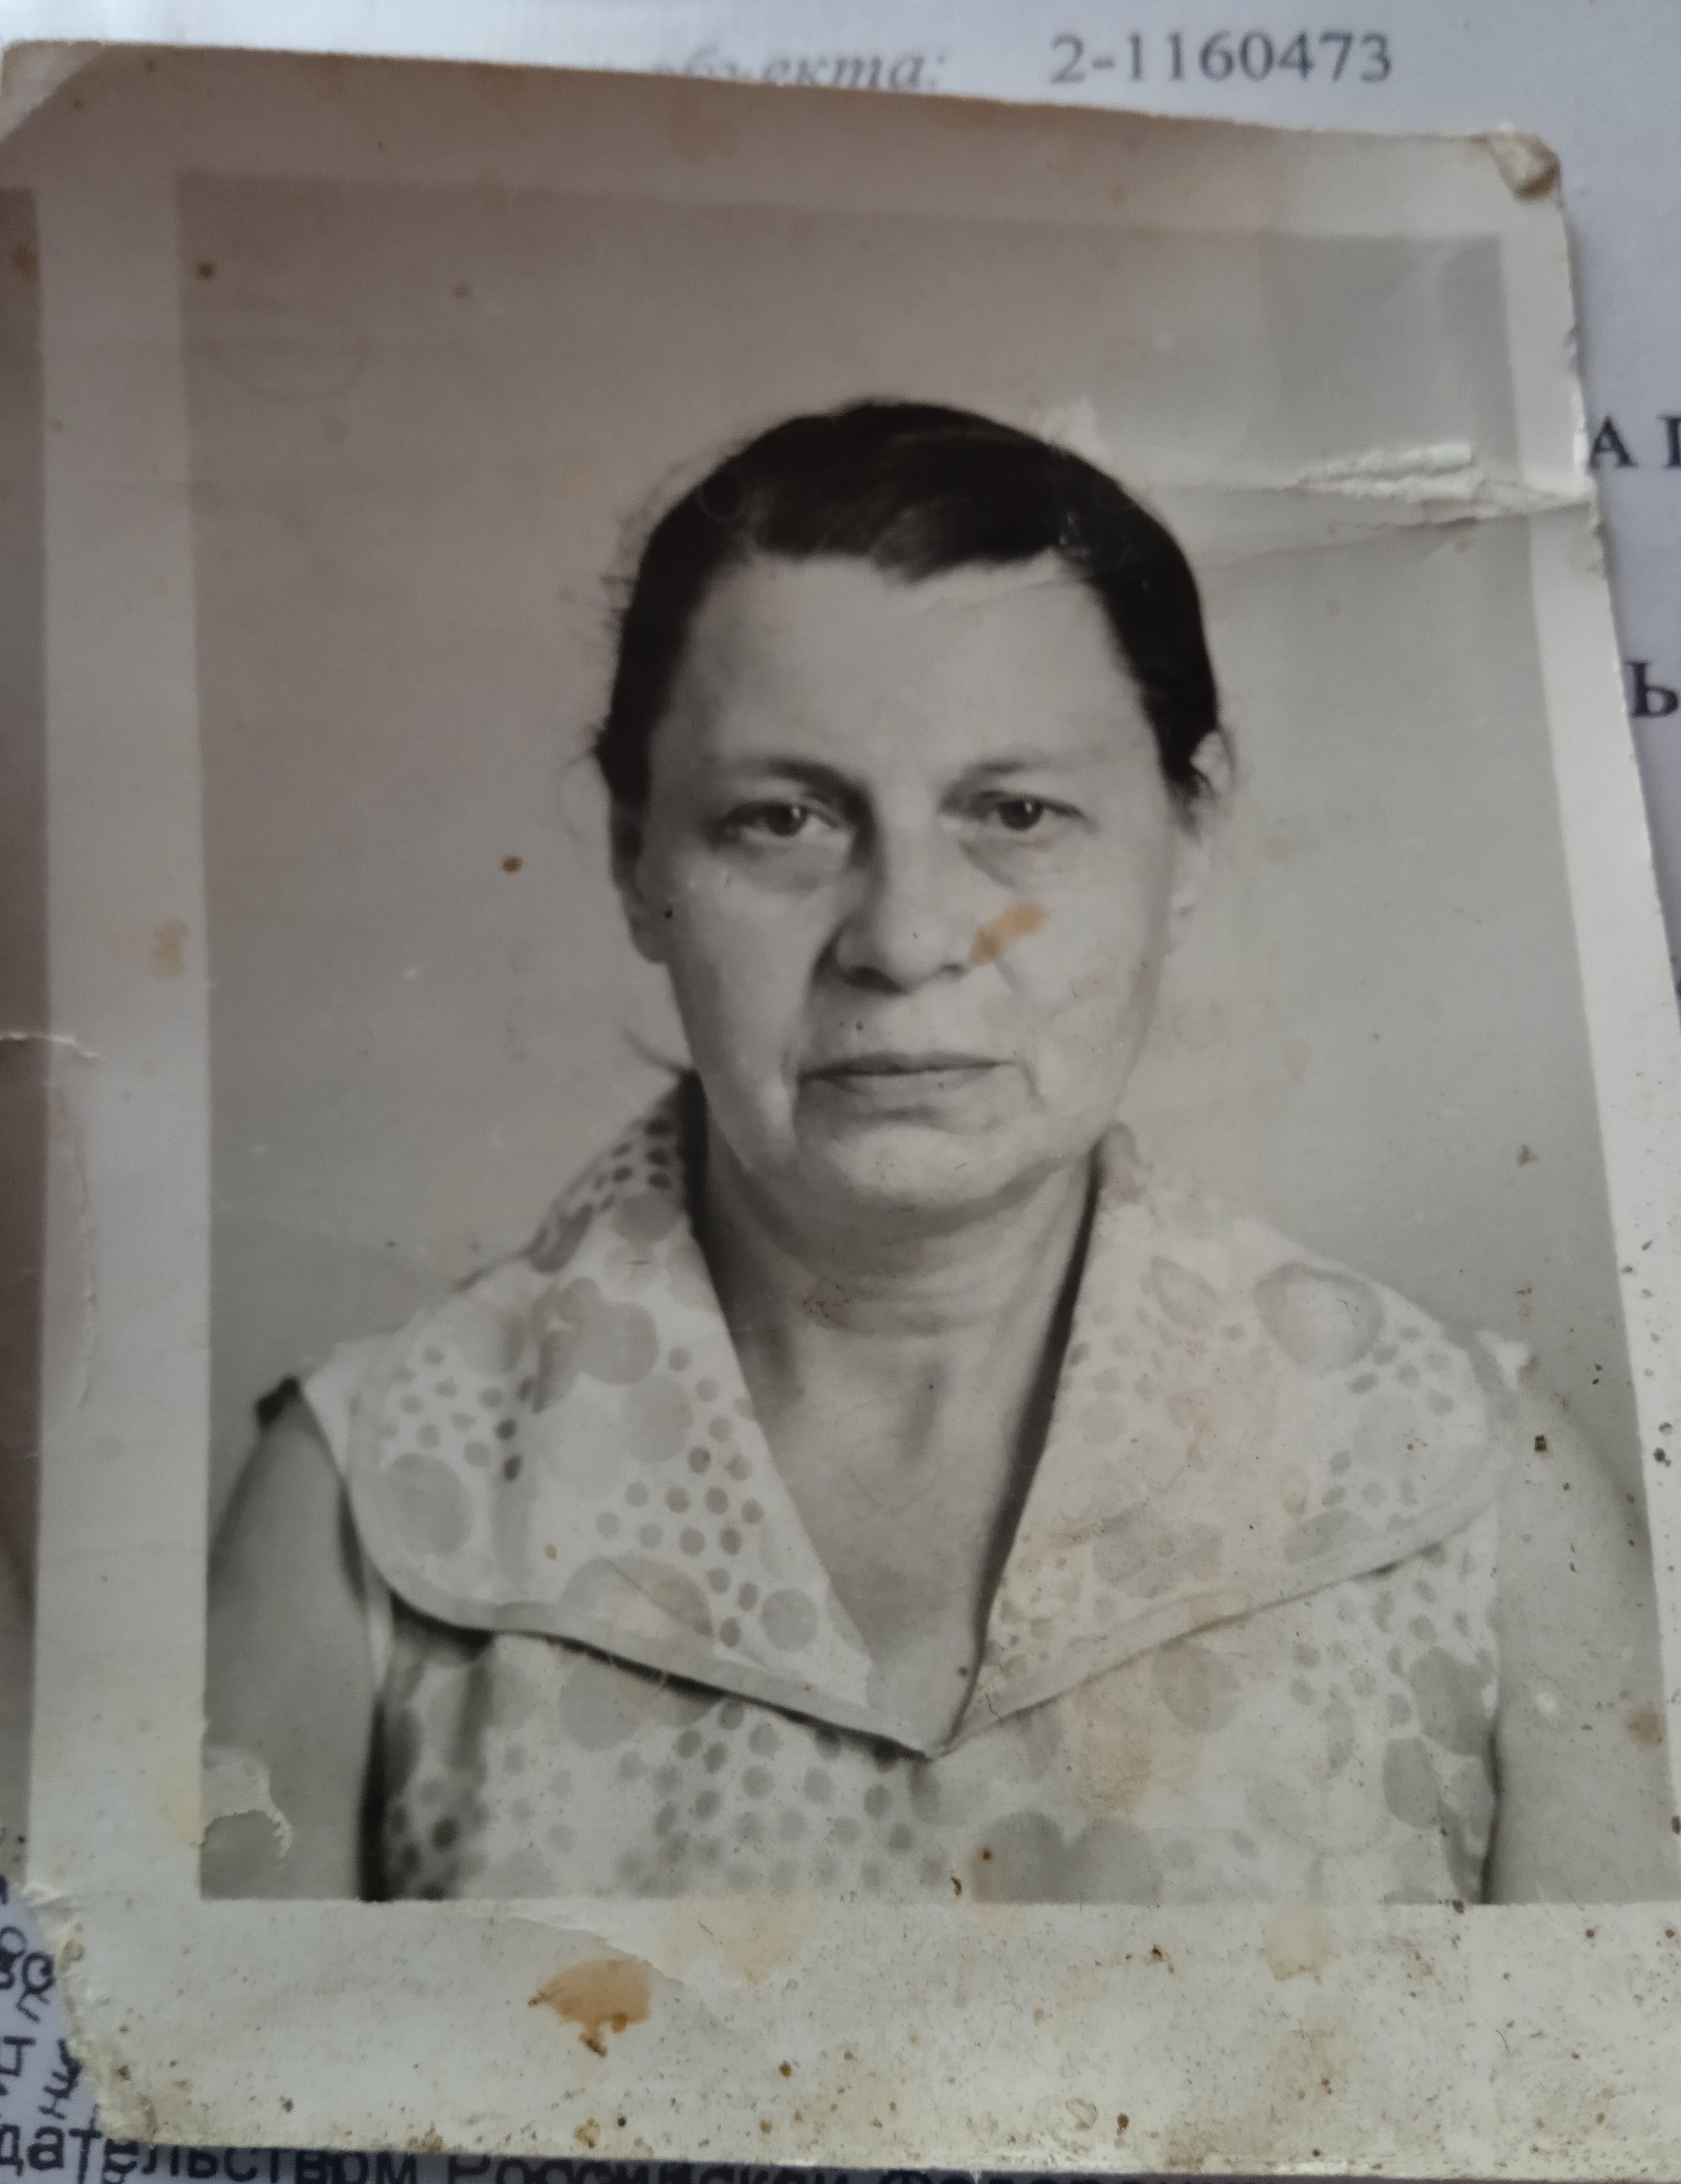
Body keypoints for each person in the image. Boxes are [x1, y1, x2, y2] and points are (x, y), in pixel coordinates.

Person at [205, 401, 1677, 1908]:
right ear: (639, 860)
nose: (906, 939)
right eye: (782, 819)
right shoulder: (358, 1513)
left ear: (1190, 834)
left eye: (1018, 812)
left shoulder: (1479, 1492)